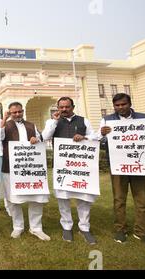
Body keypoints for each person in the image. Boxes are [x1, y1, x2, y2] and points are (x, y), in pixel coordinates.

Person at [100, 93, 145, 247]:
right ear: (114, 106)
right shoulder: (107, 120)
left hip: (139, 165)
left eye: (123, 104)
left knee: (141, 200)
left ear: (130, 104)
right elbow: (101, 144)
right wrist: (103, 136)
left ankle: (141, 231)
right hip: (118, 166)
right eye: (117, 105)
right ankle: (120, 230)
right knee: (119, 200)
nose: (120, 108)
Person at [42, 97, 98, 245]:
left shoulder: (83, 120)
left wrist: (84, 137)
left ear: (72, 106)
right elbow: (44, 137)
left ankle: (84, 227)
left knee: (84, 197)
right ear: (58, 108)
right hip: (62, 167)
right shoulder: (52, 122)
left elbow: (95, 136)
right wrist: (54, 121)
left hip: (81, 166)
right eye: (61, 107)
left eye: (67, 107)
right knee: (63, 197)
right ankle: (66, 226)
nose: (64, 110)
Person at [0, 102, 50, 241]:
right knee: (14, 199)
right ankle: (18, 227)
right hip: (10, 167)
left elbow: (42, 138)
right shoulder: (5, 125)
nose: (17, 114)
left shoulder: (31, 125)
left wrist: (36, 139)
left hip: (31, 168)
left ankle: (36, 228)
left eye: (19, 112)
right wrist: (4, 119)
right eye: (13, 112)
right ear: (9, 113)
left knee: (36, 198)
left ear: (22, 111)